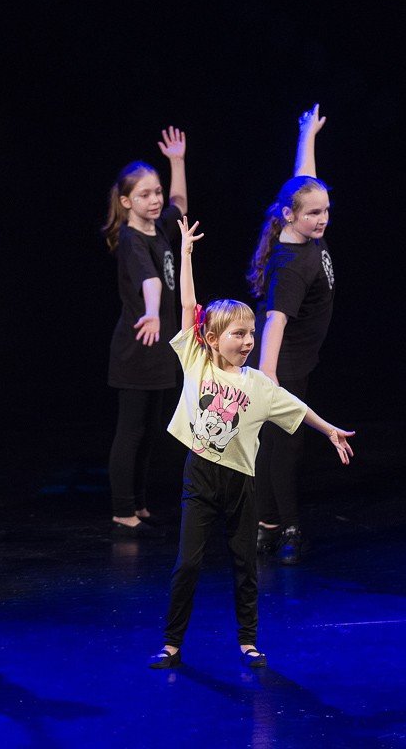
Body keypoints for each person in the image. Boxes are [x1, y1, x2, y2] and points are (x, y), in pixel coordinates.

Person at [150, 219, 356, 669]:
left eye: (250, 333)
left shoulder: (259, 384)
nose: (248, 341)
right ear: (211, 339)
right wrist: (185, 254)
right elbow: (187, 305)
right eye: (238, 334)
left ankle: (247, 641)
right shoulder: (196, 361)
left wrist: (329, 430)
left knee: (245, 564)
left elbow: (298, 408)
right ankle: (171, 642)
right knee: (187, 564)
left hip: (242, 484)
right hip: (200, 476)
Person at [249, 104, 333, 564]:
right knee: (284, 446)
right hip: (283, 365)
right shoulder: (291, 266)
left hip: (292, 362)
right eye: (314, 213)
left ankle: (267, 524)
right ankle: (284, 528)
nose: (322, 219)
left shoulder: (304, 234)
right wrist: (268, 374)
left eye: (325, 211)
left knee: (278, 445)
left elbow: (305, 179)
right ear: (290, 216)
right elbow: (275, 321)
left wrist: (307, 134)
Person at [103, 127, 188, 536]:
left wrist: (177, 161)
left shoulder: (160, 227)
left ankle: (138, 502)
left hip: (159, 346)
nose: (155, 200)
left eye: (156, 192)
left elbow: (179, 206)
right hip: (139, 343)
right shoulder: (131, 239)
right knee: (132, 430)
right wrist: (153, 312)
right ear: (126, 202)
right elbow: (150, 280)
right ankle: (123, 509)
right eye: (144, 195)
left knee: (150, 431)